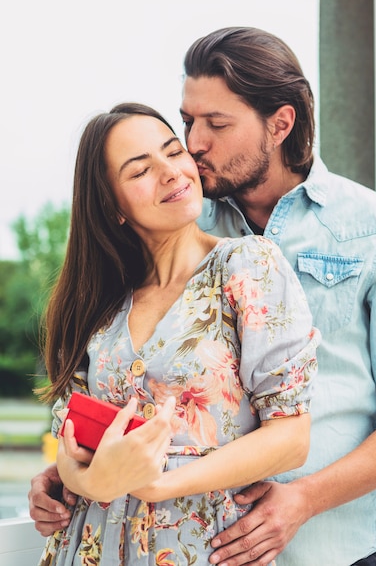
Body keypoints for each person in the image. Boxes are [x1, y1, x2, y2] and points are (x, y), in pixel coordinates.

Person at [29, 26, 376, 565]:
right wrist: (71, 471)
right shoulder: (176, 223)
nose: (194, 144)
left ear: (280, 124)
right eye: (187, 121)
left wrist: (303, 499)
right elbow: (110, 401)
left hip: (328, 546)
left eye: (216, 124)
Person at [35, 101, 319, 566]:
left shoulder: (247, 266)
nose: (171, 172)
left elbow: (291, 438)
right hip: (88, 548)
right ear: (113, 206)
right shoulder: (99, 299)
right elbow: (69, 440)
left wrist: (159, 484)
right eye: (140, 170)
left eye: (173, 151)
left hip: (201, 549)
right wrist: (93, 483)